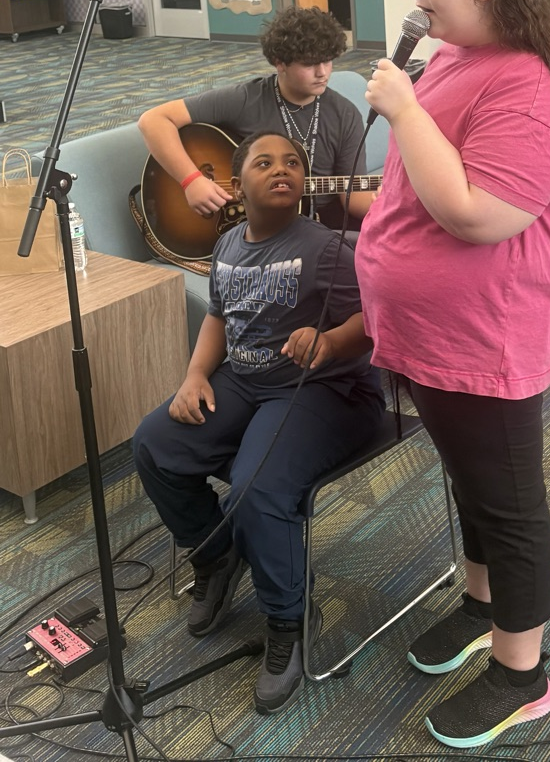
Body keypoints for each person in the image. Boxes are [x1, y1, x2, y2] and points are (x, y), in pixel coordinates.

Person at [355, 0, 550, 749]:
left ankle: (521, 674)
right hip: (431, 335)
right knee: (469, 482)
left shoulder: (528, 87)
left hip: (485, 340)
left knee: (508, 506)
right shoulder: (458, 56)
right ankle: (481, 605)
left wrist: (403, 110)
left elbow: (477, 213)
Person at [132, 131, 384, 715]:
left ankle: (288, 620)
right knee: (155, 443)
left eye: (292, 162)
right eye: (264, 162)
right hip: (245, 380)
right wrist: (195, 376)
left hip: (323, 388)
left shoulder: (326, 249)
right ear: (236, 184)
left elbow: (377, 318)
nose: (281, 169)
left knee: (257, 487)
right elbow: (219, 317)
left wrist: (330, 340)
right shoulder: (227, 245)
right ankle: (215, 554)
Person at [137, 6, 375, 233]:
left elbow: (353, 197)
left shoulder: (345, 114)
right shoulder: (245, 99)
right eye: (310, 64)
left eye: (328, 61)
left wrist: (384, 200)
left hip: (319, 222)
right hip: (254, 223)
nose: (322, 72)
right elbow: (153, 120)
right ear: (280, 63)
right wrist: (192, 181)